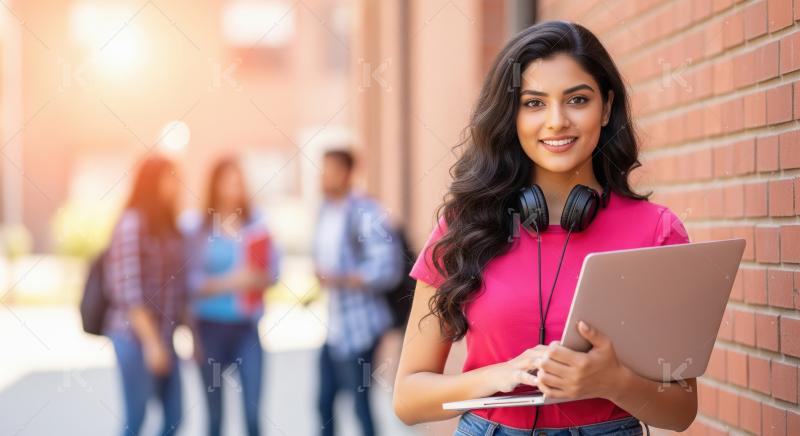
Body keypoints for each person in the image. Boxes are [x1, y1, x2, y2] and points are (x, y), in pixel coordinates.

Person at [393, 21, 697, 436]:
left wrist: (611, 381)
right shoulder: (463, 228)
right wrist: (494, 377)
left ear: (606, 108)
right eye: (534, 103)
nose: (556, 121)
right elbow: (408, 400)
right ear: (511, 115)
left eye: (577, 99)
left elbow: (679, 411)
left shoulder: (657, 232)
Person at [185, 157, 279, 436]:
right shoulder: (197, 227)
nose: (234, 187)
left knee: (253, 416)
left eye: (238, 180)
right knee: (215, 419)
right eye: (227, 180)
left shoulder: (257, 222)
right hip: (209, 329)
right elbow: (189, 282)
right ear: (215, 184)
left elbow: (273, 273)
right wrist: (232, 282)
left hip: (246, 328)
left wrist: (257, 278)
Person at [312, 148, 403, 436]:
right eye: (324, 170)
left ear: (349, 173)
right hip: (335, 326)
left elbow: (388, 268)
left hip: (361, 327)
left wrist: (342, 279)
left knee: (359, 405)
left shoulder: (367, 212)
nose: (326, 177)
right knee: (323, 403)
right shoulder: (324, 210)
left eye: (333, 170)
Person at [104, 155, 188, 436]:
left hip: (164, 336)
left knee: (175, 416)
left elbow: (178, 287)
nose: (177, 186)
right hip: (134, 337)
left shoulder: (167, 226)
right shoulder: (132, 223)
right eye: (170, 178)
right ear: (153, 182)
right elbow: (129, 292)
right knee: (136, 417)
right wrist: (152, 343)